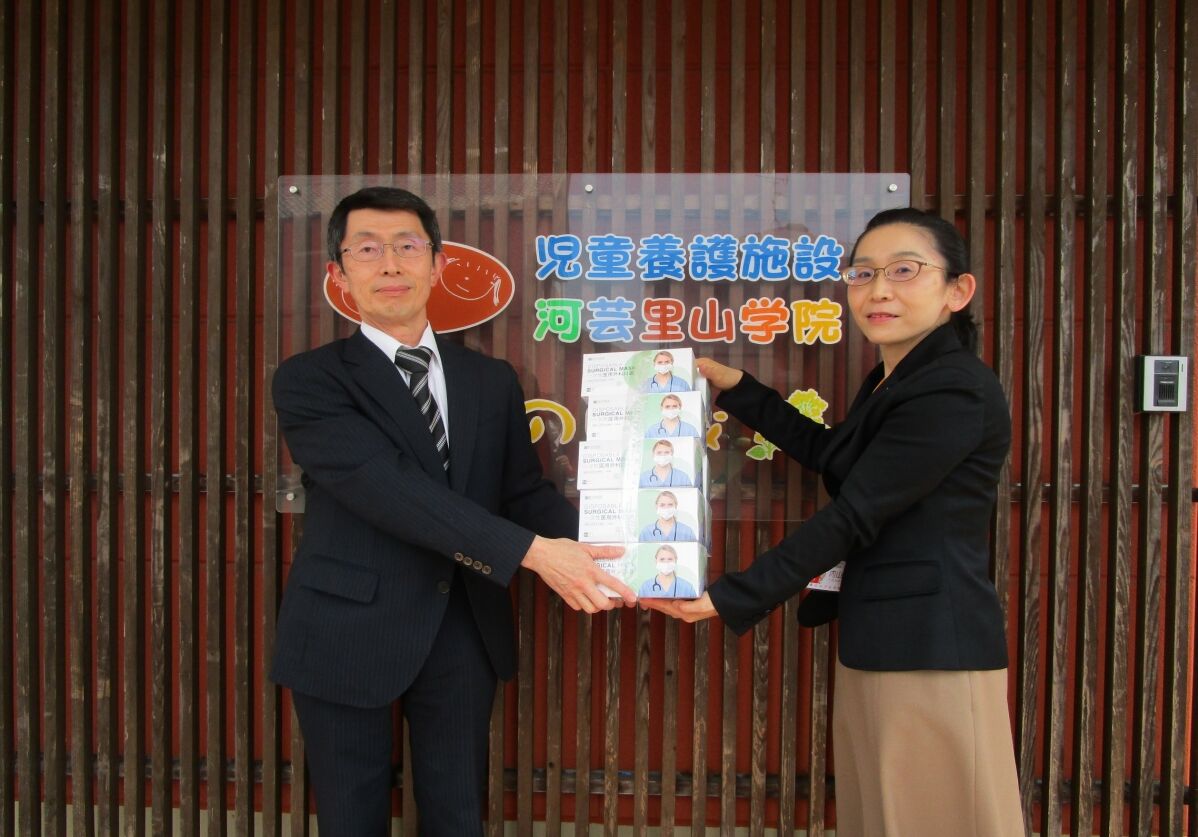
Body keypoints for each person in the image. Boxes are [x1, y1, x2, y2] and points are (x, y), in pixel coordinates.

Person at [643, 208, 1023, 837]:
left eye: (904, 270)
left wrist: (733, 595)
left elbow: (856, 513)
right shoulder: (895, 378)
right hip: (886, 637)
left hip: (931, 647)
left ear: (958, 291)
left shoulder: (952, 388)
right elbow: (835, 456)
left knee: (935, 819)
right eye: (863, 273)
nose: (879, 290)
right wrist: (740, 389)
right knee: (883, 817)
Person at [271, 186, 635, 837]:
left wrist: (632, 554)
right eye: (367, 249)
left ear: (437, 264)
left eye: (407, 246)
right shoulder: (311, 380)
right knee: (350, 819)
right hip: (345, 627)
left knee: (458, 815)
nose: (390, 264)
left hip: (462, 623)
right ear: (339, 273)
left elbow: (523, 495)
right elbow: (384, 485)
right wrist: (533, 554)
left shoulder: (489, 380)